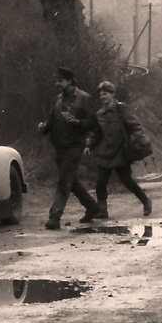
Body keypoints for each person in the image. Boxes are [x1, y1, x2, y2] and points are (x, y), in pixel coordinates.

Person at [37, 66, 101, 229]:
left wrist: (78, 123)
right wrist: (44, 127)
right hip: (60, 146)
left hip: (74, 146)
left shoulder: (84, 98)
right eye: (56, 80)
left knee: (64, 181)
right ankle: (92, 207)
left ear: (70, 81)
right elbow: (52, 120)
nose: (57, 83)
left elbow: (93, 122)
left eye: (60, 80)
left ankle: (55, 217)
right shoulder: (59, 99)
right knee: (71, 181)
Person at [85, 81, 154, 219]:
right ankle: (102, 210)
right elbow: (96, 133)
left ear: (112, 94)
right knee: (101, 182)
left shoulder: (122, 109)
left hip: (120, 152)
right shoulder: (100, 114)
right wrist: (89, 145)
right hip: (105, 152)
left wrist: (142, 141)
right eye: (101, 94)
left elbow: (134, 125)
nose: (102, 96)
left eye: (105, 93)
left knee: (127, 181)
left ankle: (145, 201)